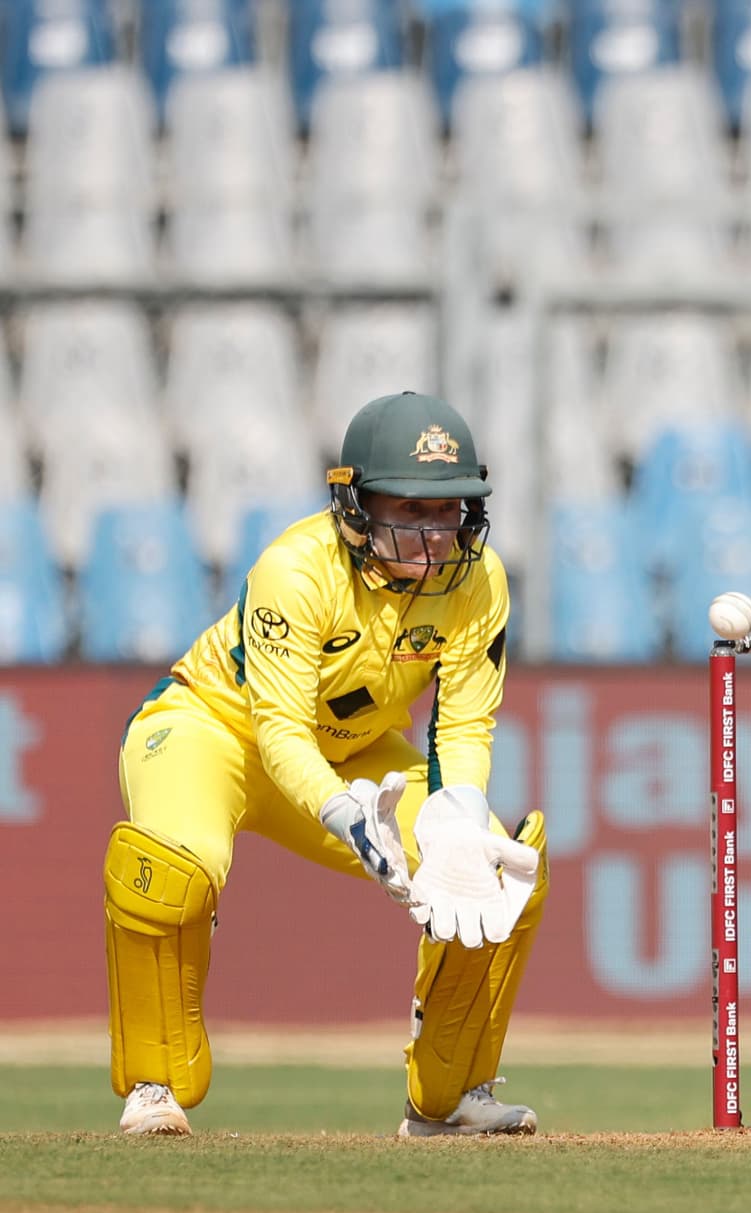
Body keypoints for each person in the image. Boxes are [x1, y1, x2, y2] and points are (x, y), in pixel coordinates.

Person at [108, 391, 550, 1138]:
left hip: (354, 751)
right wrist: (346, 816)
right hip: (212, 730)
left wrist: (460, 818)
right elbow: (277, 728)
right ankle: (154, 1084)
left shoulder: (480, 580)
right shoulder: (296, 568)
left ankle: (448, 1098)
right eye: (411, 509)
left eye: (450, 511)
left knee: (493, 875)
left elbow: (467, 721)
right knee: (177, 871)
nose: (436, 534)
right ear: (355, 504)